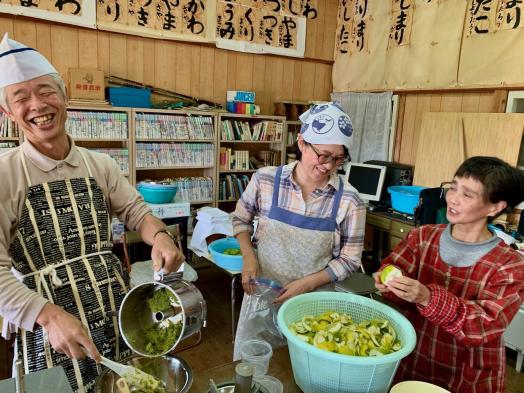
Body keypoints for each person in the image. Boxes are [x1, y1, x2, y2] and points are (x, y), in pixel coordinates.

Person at [0, 33, 184, 392]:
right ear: (7, 112)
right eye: (21, 97)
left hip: (113, 307)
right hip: (48, 324)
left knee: (121, 384)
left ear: (65, 95)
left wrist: (160, 235)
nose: (37, 104)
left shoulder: (99, 164)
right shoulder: (5, 175)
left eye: (45, 91)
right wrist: (49, 316)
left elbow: (135, 211)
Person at [373, 156, 524, 393]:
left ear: (496, 207)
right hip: (415, 355)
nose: (452, 198)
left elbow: (485, 325)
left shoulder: (509, 264)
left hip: (468, 371)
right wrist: (389, 282)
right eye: (453, 187)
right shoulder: (423, 237)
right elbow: (394, 268)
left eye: (467, 194)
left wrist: (426, 297)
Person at [231, 102, 366, 359]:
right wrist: (249, 256)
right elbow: (240, 219)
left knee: (304, 369)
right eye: (323, 155)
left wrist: (305, 285)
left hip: (313, 303)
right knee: (253, 366)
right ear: (302, 142)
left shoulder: (350, 200)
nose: (328, 166)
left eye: (338, 158)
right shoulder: (265, 180)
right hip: (262, 295)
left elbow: (349, 260)